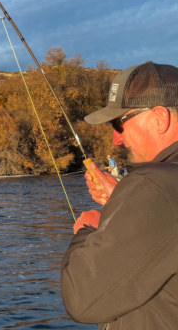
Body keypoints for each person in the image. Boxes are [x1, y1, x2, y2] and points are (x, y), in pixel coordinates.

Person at [61, 62, 178, 328]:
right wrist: (123, 198)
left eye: (118, 123)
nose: (117, 139)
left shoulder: (155, 185)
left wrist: (86, 231)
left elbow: (83, 299)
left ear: (160, 118)